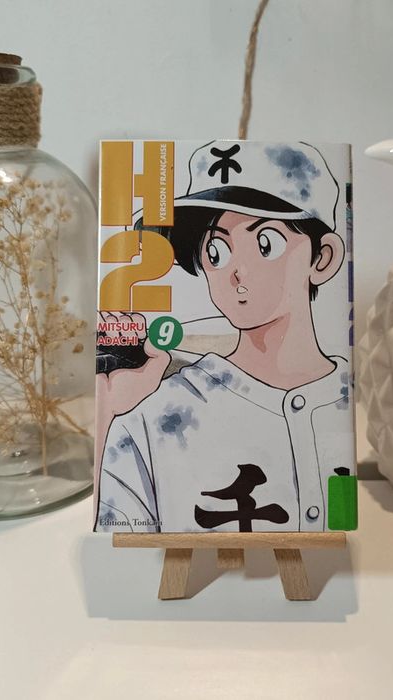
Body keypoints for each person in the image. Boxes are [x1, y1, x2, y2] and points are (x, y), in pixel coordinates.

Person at [94, 141, 353, 533]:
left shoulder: (348, 402)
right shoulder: (153, 415)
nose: (237, 271)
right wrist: (109, 415)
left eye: (266, 243)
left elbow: (344, 518)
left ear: (322, 257)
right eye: (215, 251)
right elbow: (116, 532)